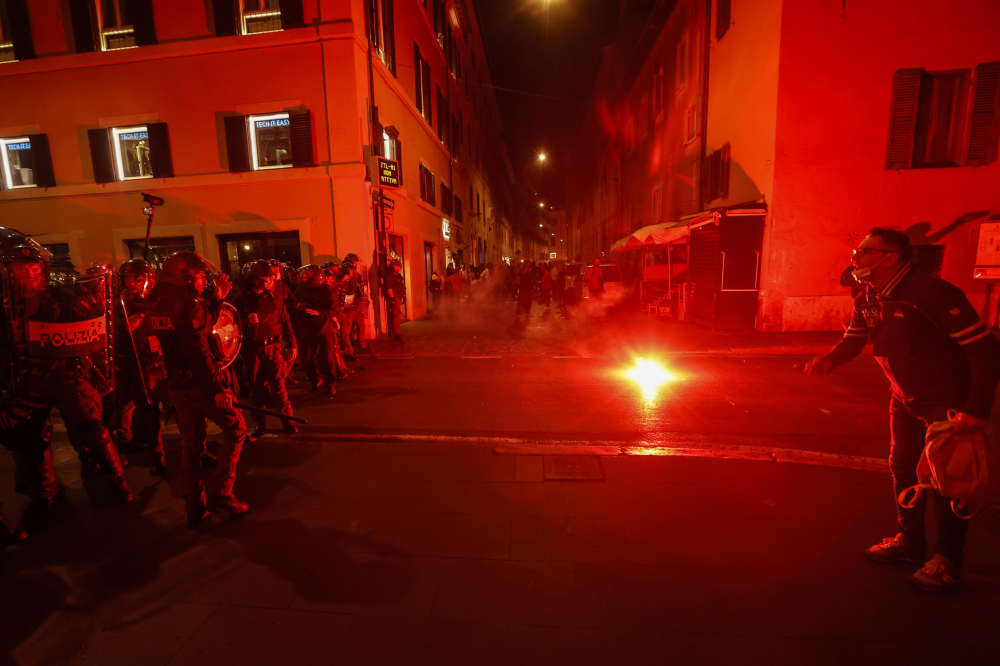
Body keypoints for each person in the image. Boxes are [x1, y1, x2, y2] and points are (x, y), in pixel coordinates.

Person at [805, 227, 1000, 592]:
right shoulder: (867, 292)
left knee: (946, 480)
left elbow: (985, 350)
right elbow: (856, 337)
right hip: (903, 398)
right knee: (903, 468)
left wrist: (976, 407)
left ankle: (947, 560)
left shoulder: (932, 293)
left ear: (890, 257)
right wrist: (829, 360)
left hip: (947, 402)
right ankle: (910, 541)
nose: (856, 257)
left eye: (864, 251)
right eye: (856, 251)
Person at [1, 245, 133, 505]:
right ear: (9, 272)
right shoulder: (4, 305)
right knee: (33, 438)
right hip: (25, 380)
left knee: (94, 431)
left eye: (35, 268)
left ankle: (116, 479)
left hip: (65, 374)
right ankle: (43, 488)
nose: (30, 273)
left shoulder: (58, 297)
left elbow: (91, 322)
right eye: (23, 268)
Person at [149, 251, 248, 528]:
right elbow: (198, 349)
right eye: (201, 274)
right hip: (198, 383)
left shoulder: (159, 299)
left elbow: (198, 325)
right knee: (236, 429)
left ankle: (194, 506)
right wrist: (217, 388)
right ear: (185, 274)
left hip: (176, 385)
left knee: (192, 445)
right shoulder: (188, 303)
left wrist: (216, 298)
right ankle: (222, 493)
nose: (204, 278)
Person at [233, 260, 298, 438]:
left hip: (273, 348)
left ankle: (288, 421)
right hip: (252, 350)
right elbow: (228, 325)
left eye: (269, 279)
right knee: (256, 389)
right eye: (264, 279)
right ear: (254, 279)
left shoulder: (275, 297)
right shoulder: (240, 298)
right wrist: (246, 323)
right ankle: (258, 424)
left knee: (279, 387)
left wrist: (292, 344)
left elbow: (285, 321)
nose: (268, 283)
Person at [114, 258, 167, 476]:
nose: (134, 282)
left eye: (139, 277)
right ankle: (133, 443)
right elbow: (124, 328)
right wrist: (141, 312)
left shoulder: (158, 299)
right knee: (130, 405)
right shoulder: (117, 302)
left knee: (151, 407)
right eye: (129, 277)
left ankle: (159, 452)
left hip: (152, 360)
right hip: (127, 360)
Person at [295, 264, 338, 396]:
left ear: (316, 277)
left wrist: (319, 313)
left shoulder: (327, 291)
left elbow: (334, 310)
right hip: (307, 329)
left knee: (328, 359)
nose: (303, 277)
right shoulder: (300, 290)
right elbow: (291, 306)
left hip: (324, 329)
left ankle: (330, 384)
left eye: (307, 275)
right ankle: (315, 379)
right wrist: (297, 308)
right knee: (307, 358)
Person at [384, 259, 406, 341]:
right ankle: (395, 333)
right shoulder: (390, 275)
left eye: (399, 266)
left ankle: (397, 332)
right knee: (395, 315)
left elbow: (401, 285)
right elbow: (389, 287)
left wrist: (403, 295)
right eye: (397, 266)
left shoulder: (397, 275)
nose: (398, 267)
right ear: (393, 266)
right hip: (394, 297)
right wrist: (392, 298)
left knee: (397, 316)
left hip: (398, 296)